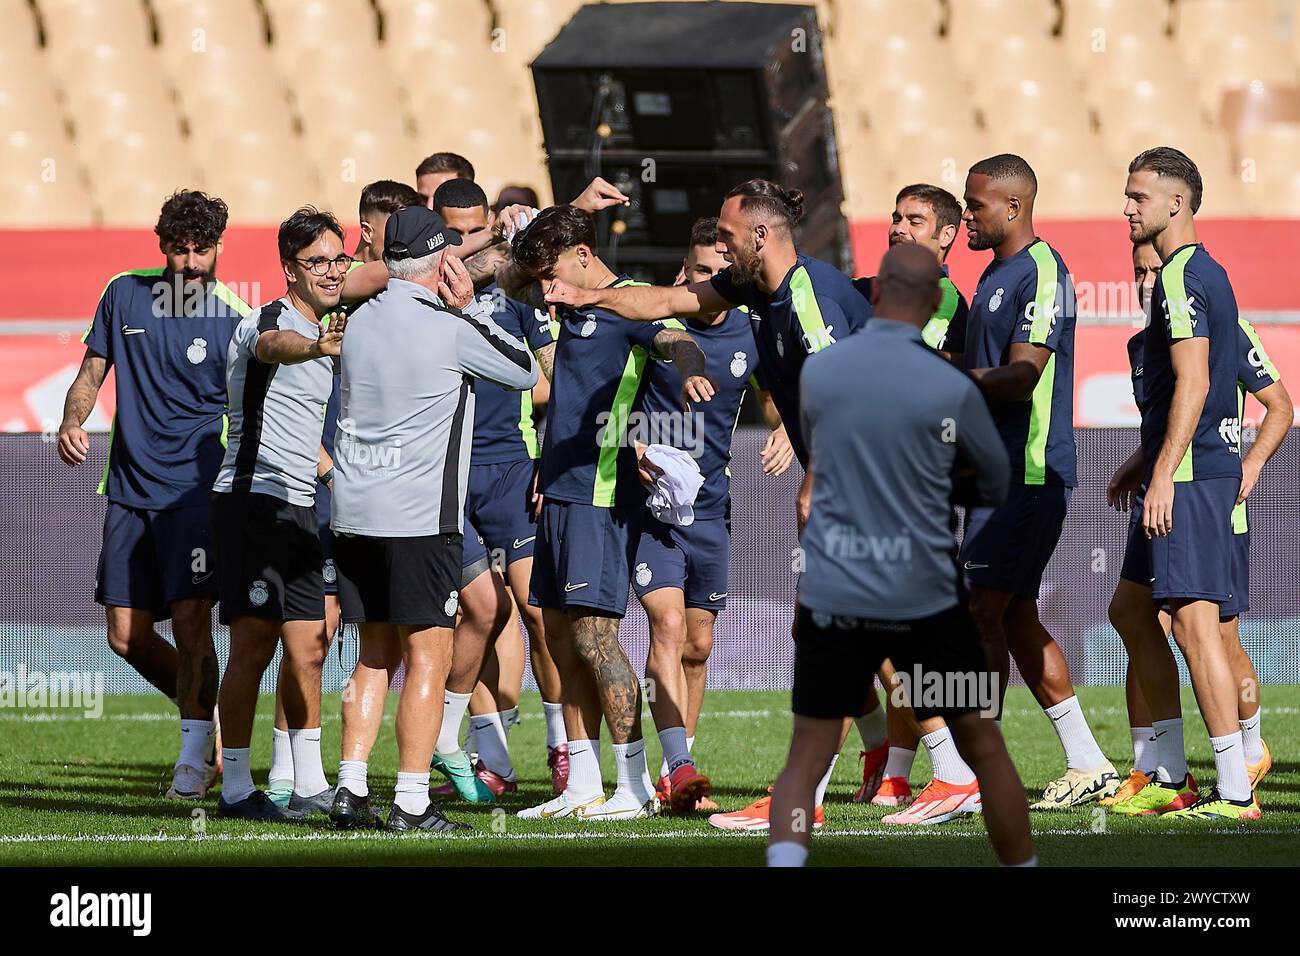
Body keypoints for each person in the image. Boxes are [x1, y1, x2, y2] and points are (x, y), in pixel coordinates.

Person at [543, 179, 880, 831]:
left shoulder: (808, 296)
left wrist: (818, 475)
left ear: (760, 235)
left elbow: (848, 392)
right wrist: (586, 295)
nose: (719, 251)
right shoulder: (755, 290)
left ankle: (931, 772)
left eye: (726, 237)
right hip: (719, 502)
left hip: (869, 479)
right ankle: (777, 784)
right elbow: (669, 300)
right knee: (832, 636)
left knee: (865, 638)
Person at [767, 244, 1035, 867]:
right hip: (925, 588)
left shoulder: (824, 373)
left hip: (839, 582)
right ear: (936, 302)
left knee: (807, 750)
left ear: (877, 294)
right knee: (984, 744)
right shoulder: (950, 383)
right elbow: (992, 481)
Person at [328, 206, 538, 832]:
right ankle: (412, 800)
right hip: (420, 517)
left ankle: (349, 788)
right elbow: (524, 370)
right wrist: (468, 306)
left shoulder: (358, 320)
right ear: (443, 261)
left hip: (355, 512)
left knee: (372, 654)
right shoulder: (449, 327)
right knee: (427, 655)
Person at [509, 204, 714, 821]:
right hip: (561, 488)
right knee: (559, 634)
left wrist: (690, 373)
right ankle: (581, 782)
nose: (544, 290)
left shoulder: (628, 303)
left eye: (553, 273)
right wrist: (572, 209)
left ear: (580, 256)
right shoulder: (566, 298)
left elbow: (679, 336)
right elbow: (511, 278)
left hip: (601, 492)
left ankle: (633, 784)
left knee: (598, 635)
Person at [57, 189, 249, 800]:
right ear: (163, 245)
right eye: (179, 249)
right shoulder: (123, 293)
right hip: (128, 491)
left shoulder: (235, 318)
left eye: (202, 250)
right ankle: (205, 715)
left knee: (193, 622)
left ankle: (193, 762)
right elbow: (91, 373)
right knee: (125, 635)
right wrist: (72, 420)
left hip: (195, 494)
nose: (190, 262)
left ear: (219, 248)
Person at [1105, 239, 1291, 813]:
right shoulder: (1145, 344)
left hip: (1208, 500)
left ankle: (1246, 761)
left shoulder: (1219, 322)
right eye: (1138, 272)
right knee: (1132, 613)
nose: (1146, 280)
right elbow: (1168, 424)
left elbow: (1279, 404)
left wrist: (1250, 466)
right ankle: (1168, 771)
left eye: (1154, 269)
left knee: (1211, 632)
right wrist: (1138, 467)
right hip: (1166, 486)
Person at [960, 153, 1119, 809]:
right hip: (994, 478)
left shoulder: (1044, 272)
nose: (967, 216)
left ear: (1014, 206)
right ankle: (1089, 763)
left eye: (975, 205)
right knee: (1016, 616)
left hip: (1028, 474)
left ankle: (976, 775)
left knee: (981, 615)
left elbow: (1024, 374)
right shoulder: (996, 274)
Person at [629, 216, 794, 813]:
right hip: (652, 507)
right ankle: (675, 769)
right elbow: (609, 400)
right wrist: (633, 442)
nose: (708, 283)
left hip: (712, 507)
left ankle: (682, 772)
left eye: (719, 273)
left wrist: (790, 434)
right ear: (683, 273)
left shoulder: (752, 333)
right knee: (666, 627)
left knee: (698, 644)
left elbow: (779, 397)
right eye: (699, 271)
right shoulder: (654, 329)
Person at [427, 178, 566, 801]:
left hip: (511, 464)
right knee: (474, 614)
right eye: (449, 234)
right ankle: (491, 758)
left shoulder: (514, 291)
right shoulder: (416, 291)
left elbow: (549, 381)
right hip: (442, 472)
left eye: (471, 231)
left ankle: (566, 748)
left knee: (538, 611)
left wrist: (553, 459)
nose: (461, 246)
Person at [210, 208, 348, 819]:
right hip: (252, 500)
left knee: (309, 644)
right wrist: (315, 344)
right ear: (289, 269)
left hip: (297, 506)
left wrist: (334, 475)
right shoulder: (270, 323)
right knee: (253, 645)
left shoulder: (333, 323)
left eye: (337, 259)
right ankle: (236, 789)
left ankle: (309, 784)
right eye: (317, 262)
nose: (331, 271)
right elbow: (274, 346)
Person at [849, 183, 980, 820]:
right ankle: (901, 769)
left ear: (947, 236)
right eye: (896, 216)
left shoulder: (940, 296)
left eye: (917, 220)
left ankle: (950, 770)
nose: (900, 227)